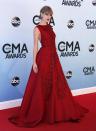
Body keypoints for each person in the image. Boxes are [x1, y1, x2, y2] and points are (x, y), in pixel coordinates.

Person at [8, 5, 88, 128]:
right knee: (42, 85)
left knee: (56, 85)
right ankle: (40, 112)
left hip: (53, 57)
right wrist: (34, 62)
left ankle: (55, 112)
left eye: (50, 15)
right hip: (44, 58)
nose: (48, 17)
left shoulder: (50, 27)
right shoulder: (37, 29)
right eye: (46, 14)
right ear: (41, 14)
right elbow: (35, 46)